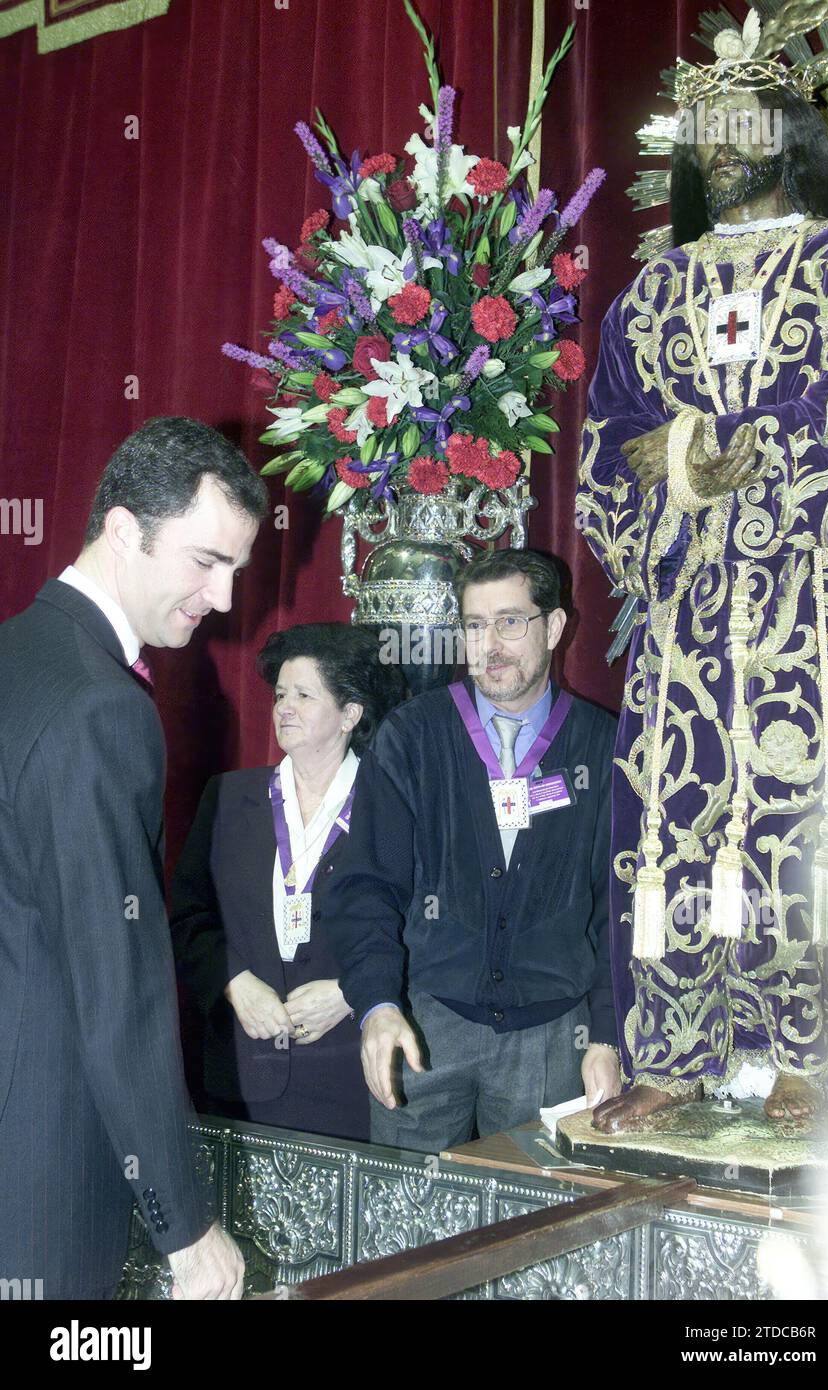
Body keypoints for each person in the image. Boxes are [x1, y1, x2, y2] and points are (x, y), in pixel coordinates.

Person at [575, 18, 828, 1133]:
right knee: (673, 812)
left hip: (815, 601)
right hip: (691, 610)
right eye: (704, 127)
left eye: (743, 121)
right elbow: (612, 442)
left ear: (790, 132)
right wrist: (686, 462)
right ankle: (677, 1046)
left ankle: (813, 1046)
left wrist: (717, 449)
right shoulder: (648, 299)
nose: (722, 143)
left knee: (805, 811)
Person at [0, 416, 267, 1300]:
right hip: (42, 1159)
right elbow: (117, 985)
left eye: (236, 569)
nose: (224, 598)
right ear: (123, 529)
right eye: (206, 562)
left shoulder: (18, 654)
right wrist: (185, 1226)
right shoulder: (98, 706)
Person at [322, 548, 621, 1153]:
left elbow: (618, 902)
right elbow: (367, 883)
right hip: (426, 1028)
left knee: (532, 1230)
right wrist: (377, 1002)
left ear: (555, 627)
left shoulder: (603, 743)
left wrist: (608, 1034)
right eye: (475, 626)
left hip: (554, 1036)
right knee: (401, 1220)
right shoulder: (413, 735)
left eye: (511, 621)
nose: (492, 644)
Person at [171, 623, 407, 1143]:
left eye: (304, 694)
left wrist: (353, 995)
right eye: (280, 694)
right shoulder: (229, 798)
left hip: (351, 1075)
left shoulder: (392, 805)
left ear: (350, 714)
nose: (284, 708)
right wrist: (234, 982)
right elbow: (187, 918)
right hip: (239, 1075)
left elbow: (423, 929)